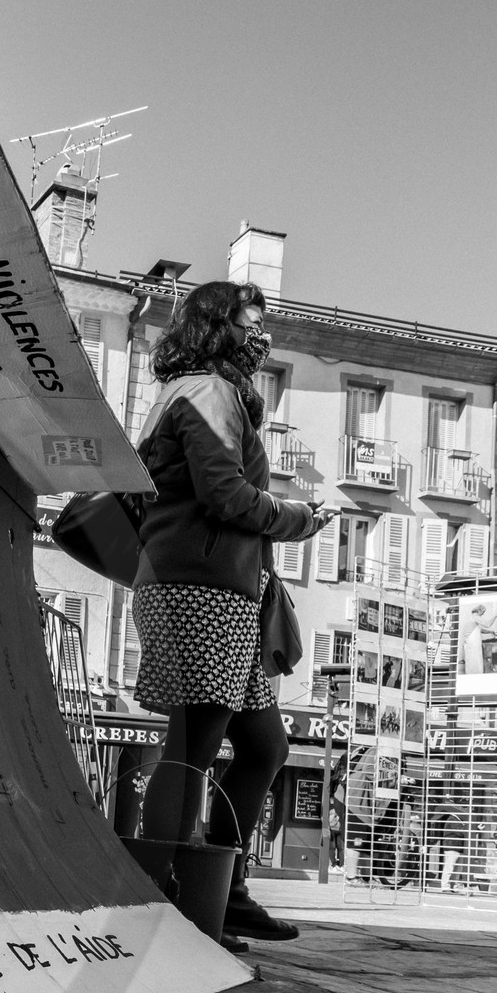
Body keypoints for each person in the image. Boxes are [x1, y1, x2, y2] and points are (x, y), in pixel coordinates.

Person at [131, 281, 331, 947]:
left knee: (265, 745)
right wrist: (300, 519)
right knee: (192, 747)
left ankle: (227, 891)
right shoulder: (208, 392)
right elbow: (224, 494)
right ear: (218, 326)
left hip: (221, 590)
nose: (263, 338)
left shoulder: (204, 392)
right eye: (252, 325)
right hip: (199, 589)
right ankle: (167, 900)